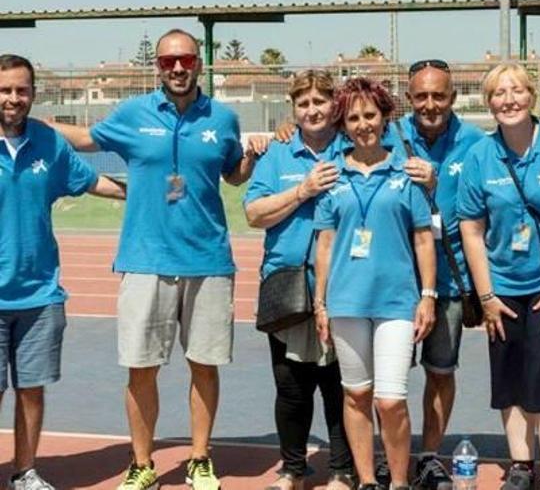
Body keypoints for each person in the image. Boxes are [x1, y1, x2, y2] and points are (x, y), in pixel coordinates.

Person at [47, 29, 258, 490]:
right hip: (144, 261)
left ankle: (200, 458)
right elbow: (84, 138)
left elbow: (234, 174)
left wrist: (251, 162)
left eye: (185, 60)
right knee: (141, 368)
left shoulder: (223, 118)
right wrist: (33, 119)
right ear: (158, 67)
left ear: (200, 63)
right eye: (167, 62)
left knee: (204, 365)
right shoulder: (132, 113)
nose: (177, 68)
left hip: (208, 261)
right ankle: (142, 464)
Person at [458, 63, 540, 490]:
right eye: (499, 92)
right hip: (501, 286)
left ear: (532, 96)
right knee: (510, 375)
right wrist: (487, 295)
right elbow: (472, 230)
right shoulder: (479, 155)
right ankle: (521, 464)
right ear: (488, 102)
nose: (509, 99)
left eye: (516, 90)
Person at [0, 54, 126, 490]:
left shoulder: (49, 143)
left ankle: (24, 471)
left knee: (31, 390)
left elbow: (94, 183)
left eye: (21, 90)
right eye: (5, 90)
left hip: (40, 294)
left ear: (33, 93)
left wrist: (147, 191)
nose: (13, 98)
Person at [312, 77, 437, 490]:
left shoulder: (406, 174)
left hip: (397, 302)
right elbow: (325, 242)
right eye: (353, 117)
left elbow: (423, 238)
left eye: (370, 115)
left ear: (384, 117)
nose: (363, 124)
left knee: (391, 399)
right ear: (343, 124)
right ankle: (367, 480)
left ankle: (399, 481)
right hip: (346, 302)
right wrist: (320, 302)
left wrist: (428, 296)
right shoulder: (332, 177)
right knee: (356, 395)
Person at [244, 69, 355, 490]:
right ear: (293, 109)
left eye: (320, 102)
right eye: (303, 104)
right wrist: (302, 191)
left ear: (334, 105)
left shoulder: (354, 147)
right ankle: (292, 468)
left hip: (345, 283)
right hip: (286, 282)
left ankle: (343, 469)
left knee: (340, 385)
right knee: (291, 386)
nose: (312, 110)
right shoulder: (278, 152)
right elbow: (254, 214)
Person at [391, 59, 486, 490]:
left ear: (453, 97)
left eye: (439, 95)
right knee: (383, 379)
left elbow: (480, 212)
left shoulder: (476, 144)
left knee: (440, 371)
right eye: (421, 96)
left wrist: (435, 183)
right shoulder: (390, 136)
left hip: (448, 280)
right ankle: (388, 455)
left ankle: (429, 455)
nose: (430, 104)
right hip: (392, 281)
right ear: (409, 99)